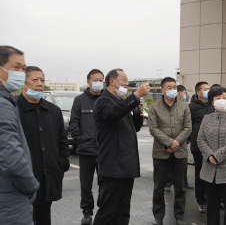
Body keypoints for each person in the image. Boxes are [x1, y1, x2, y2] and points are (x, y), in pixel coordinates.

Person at [92, 68, 150, 225]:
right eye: (123, 79)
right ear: (112, 81)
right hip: (113, 167)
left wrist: (138, 109)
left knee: (123, 211)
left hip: (126, 166)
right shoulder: (103, 101)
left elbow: (135, 127)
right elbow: (114, 114)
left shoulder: (120, 103)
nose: (126, 83)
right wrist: (136, 95)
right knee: (107, 212)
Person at [17, 66, 70, 225]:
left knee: (44, 218)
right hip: (23, 181)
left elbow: (62, 140)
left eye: (42, 80)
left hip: (48, 179)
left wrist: (62, 163)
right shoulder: (14, 109)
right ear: (23, 83)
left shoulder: (53, 110)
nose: (40, 83)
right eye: (34, 80)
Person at [0, 46, 40, 225]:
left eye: (23, 69)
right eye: (16, 67)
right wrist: (31, 185)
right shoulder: (3, 105)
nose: (20, 73)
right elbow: (11, 158)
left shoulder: (7, 101)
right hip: (10, 199)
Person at [148, 77, 192, 225]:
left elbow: (188, 128)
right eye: (169, 87)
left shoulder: (184, 107)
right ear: (162, 90)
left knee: (180, 187)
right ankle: (158, 216)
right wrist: (169, 142)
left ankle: (179, 216)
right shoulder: (154, 107)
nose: (173, 90)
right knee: (159, 187)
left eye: (174, 87)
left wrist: (176, 142)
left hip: (180, 152)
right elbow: (153, 128)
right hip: (161, 152)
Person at [197, 86, 226, 225]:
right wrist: (210, 155)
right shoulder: (206, 119)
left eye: (224, 97)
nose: (221, 100)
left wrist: (217, 156)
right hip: (210, 169)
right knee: (212, 207)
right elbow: (200, 139)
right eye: (218, 98)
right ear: (212, 102)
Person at [70, 69, 104, 224]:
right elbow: (74, 122)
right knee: (86, 184)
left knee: (105, 183)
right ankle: (87, 211)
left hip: (105, 150)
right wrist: (80, 139)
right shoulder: (79, 100)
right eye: (95, 80)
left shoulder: (107, 99)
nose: (98, 83)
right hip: (86, 150)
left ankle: (103, 210)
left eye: (101, 80)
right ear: (88, 82)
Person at [188, 81, 214, 213]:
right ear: (198, 92)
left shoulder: (214, 105)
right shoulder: (191, 107)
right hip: (198, 147)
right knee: (200, 174)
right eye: (205, 89)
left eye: (209, 89)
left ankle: (215, 200)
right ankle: (202, 201)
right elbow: (188, 126)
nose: (208, 91)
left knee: (215, 174)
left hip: (214, 146)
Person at [165, 84, 193, 191]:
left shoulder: (184, 106)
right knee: (168, 163)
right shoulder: (168, 106)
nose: (185, 95)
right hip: (169, 140)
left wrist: (180, 140)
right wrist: (170, 142)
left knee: (182, 164)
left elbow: (187, 126)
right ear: (180, 93)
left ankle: (183, 182)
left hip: (181, 140)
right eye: (184, 92)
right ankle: (168, 183)